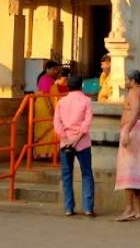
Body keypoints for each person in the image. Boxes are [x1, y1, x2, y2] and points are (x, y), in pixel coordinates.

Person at [53, 74, 95, 217]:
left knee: (66, 175)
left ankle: (68, 208)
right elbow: (87, 123)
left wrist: (65, 139)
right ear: (81, 85)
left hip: (65, 143)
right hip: (82, 142)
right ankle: (88, 208)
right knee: (87, 174)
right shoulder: (87, 101)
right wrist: (76, 139)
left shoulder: (61, 102)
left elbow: (57, 123)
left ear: (68, 86)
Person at [114, 69, 140, 221]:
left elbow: (135, 111)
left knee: (128, 170)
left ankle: (129, 208)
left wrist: (127, 130)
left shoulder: (133, 92)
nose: (126, 81)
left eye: (127, 79)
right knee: (137, 171)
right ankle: (137, 210)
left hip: (133, 131)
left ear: (133, 80)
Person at [34, 61, 62, 160]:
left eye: (57, 69)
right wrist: (51, 108)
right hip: (44, 107)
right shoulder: (46, 79)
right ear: (47, 69)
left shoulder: (50, 79)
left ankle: (50, 154)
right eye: (54, 69)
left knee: (51, 129)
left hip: (47, 105)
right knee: (47, 128)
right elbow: (46, 95)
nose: (56, 71)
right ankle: (44, 154)